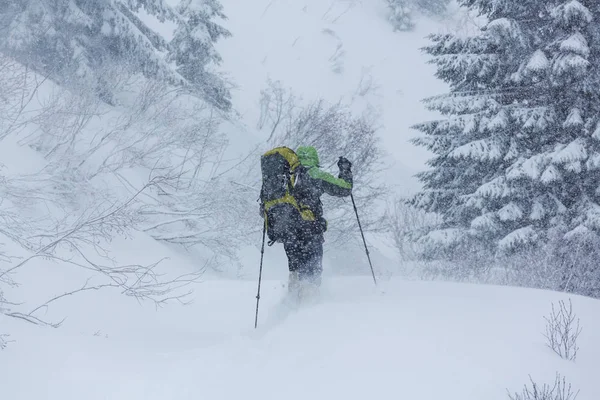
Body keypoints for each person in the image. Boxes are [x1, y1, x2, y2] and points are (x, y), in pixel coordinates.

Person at [284, 146, 353, 297]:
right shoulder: (316, 174)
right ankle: (308, 309)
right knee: (311, 271)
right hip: (310, 230)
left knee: (296, 268)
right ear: (315, 159)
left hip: (289, 233)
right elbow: (345, 188)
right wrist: (345, 170)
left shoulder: (287, 176)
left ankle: (291, 301)